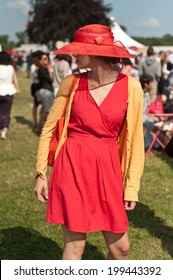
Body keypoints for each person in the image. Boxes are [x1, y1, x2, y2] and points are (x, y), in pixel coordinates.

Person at [34, 24, 144, 260]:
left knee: (121, 248)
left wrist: (132, 186)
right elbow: (49, 128)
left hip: (108, 167)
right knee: (75, 246)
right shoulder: (71, 82)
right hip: (72, 164)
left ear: (94, 53)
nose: (73, 54)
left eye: (79, 49)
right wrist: (40, 173)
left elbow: (136, 140)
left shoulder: (131, 86)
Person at [0, 51, 20, 140]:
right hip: (9, 91)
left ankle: (1, 128)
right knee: (7, 112)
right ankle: (4, 130)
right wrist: (17, 88)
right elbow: (15, 80)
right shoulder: (11, 68)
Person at [36, 52, 54, 133]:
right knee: (47, 111)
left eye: (47, 58)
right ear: (40, 61)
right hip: (45, 91)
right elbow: (50, 80)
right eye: (44, 59)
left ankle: (39, 127)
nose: (47, 60)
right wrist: (49, 70)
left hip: (47, 91)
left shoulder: (43, 68)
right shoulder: (42, 69)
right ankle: (40, 127)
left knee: (44, 110)